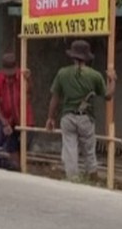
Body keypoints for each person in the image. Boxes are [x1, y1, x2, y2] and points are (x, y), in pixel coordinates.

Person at [45, 39, 112, 182]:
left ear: (72, 56)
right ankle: (93, 177)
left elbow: (55, 98)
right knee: (89, 150)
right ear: (87, 57)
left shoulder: (62, 73)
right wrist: (113, 81)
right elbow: (108, 96)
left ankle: (73, 179)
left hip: (67, 117)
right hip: (86, 118)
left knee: (70, 149)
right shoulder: (94, 75)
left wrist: (50, 118)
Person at [0, 52, 23, 129]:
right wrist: (2, 119)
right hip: (5, 118)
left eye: (12, 76)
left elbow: (29, 93)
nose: (10, 79)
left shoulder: (22, 75)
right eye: (8, 76)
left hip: (23, 118)